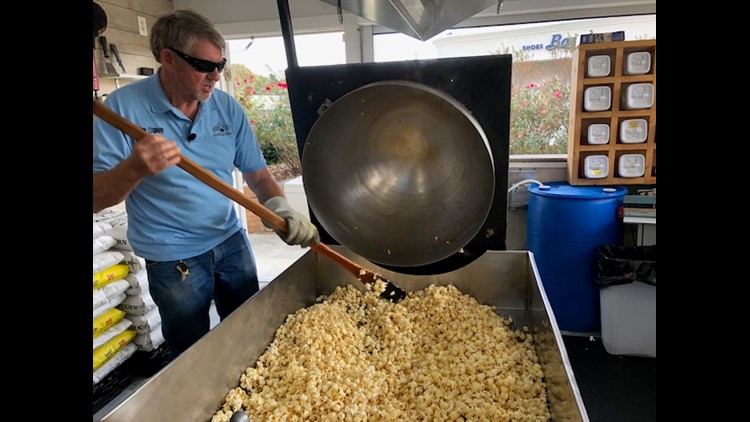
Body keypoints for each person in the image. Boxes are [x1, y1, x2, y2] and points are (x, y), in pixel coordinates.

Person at [92, 9, 319, 359]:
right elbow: (96, 198)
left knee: (251, 332)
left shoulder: (226, 108)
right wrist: (134, 169)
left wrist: (280, 208)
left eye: (220, 65)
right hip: (172, 255)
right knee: (192, 350)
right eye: (204, 66)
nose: (215, 76)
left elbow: (258, 175)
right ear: (167, 58)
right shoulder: (123, 109)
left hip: (230, 242)